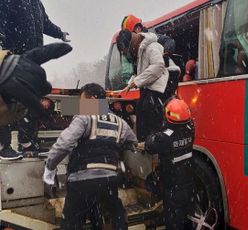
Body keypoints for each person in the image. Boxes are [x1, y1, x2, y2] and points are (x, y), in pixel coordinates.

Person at [43, 83, 136, 230]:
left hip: (82, 181)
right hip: (109, 180)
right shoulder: (120, 122)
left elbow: (64, 144)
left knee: (71, 225)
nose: (79, 105)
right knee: (114, 216)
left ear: (92, 100)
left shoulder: (84, 117)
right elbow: (132, 142)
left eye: (82, 101)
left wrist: (50, 166)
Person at [0, 0, 70, 160]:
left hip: (32, 59)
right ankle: (4, 145)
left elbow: (45, 23)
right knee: (5, 100)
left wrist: (59, 33)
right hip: (12, 60)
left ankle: (26, 142)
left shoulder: (36, 3)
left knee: (31, 100)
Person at [137, 97, 195, 230]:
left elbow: (151, 143)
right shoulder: (190, 129)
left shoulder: (164, 138)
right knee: (186, 218)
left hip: (173, 187)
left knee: (174, 220)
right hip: (188, 183)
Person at [117, 29, 171, 141]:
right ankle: (144, 142)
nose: (127, 54)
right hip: (151, 88)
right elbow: (141, 73)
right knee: (141, 109)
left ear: (131, 44)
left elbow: (158, 66)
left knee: (149, 109)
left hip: (160, 88)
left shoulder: (151, 47)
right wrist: (129, 84)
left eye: (126, 50)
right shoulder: (141, 50)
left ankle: (152, 143)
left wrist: (136, 82)